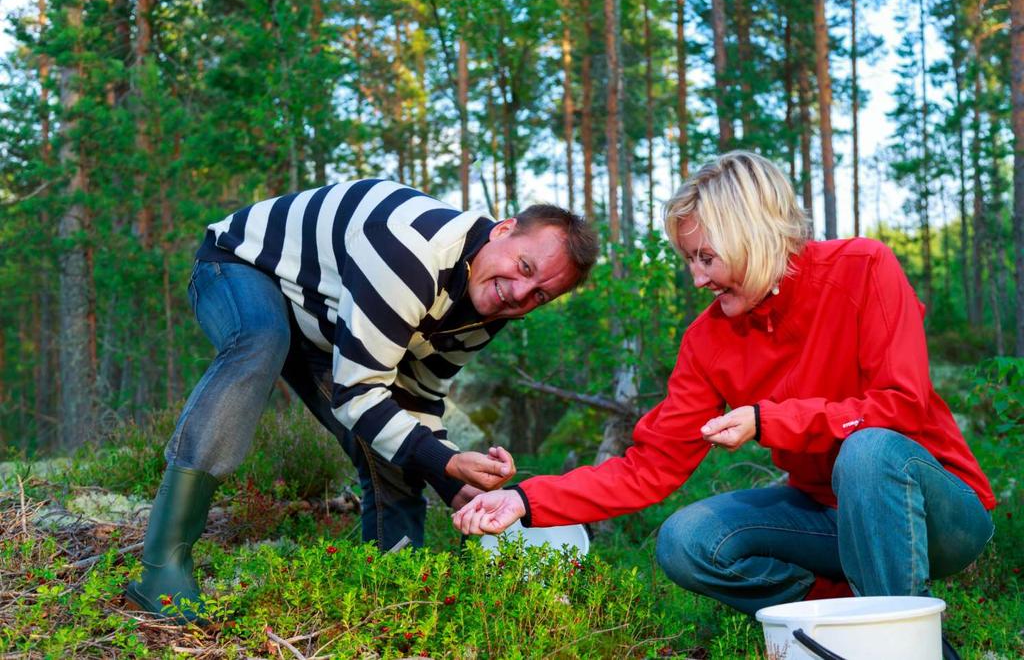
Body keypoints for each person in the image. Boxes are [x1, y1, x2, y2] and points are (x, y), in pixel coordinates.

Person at [454, 151, 995, 616]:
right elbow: (650, 467)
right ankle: (827, 619)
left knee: (869, 449)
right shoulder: (707, 341)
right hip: (828, 521)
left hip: (934, 513)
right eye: (689, 259)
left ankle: (900, 641)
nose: (696, 277)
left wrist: (770, 419)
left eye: (706, 257)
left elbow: (900, 407)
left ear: (752, 235)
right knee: (687, 540)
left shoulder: (863, 268)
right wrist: (526, 499)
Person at [125, 179, 599, 620]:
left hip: (326, 324)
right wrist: (446, 464)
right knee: (261, 341)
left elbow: (419, 399)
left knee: (394, 444)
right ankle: (162, 565)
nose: (518, 294)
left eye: (539, 295)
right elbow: (357, 395)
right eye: (524, 268)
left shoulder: (489, 307)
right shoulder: (411, 247)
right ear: (504, 230)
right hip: (243, 266)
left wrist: (455, 484)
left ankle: (395, 592)